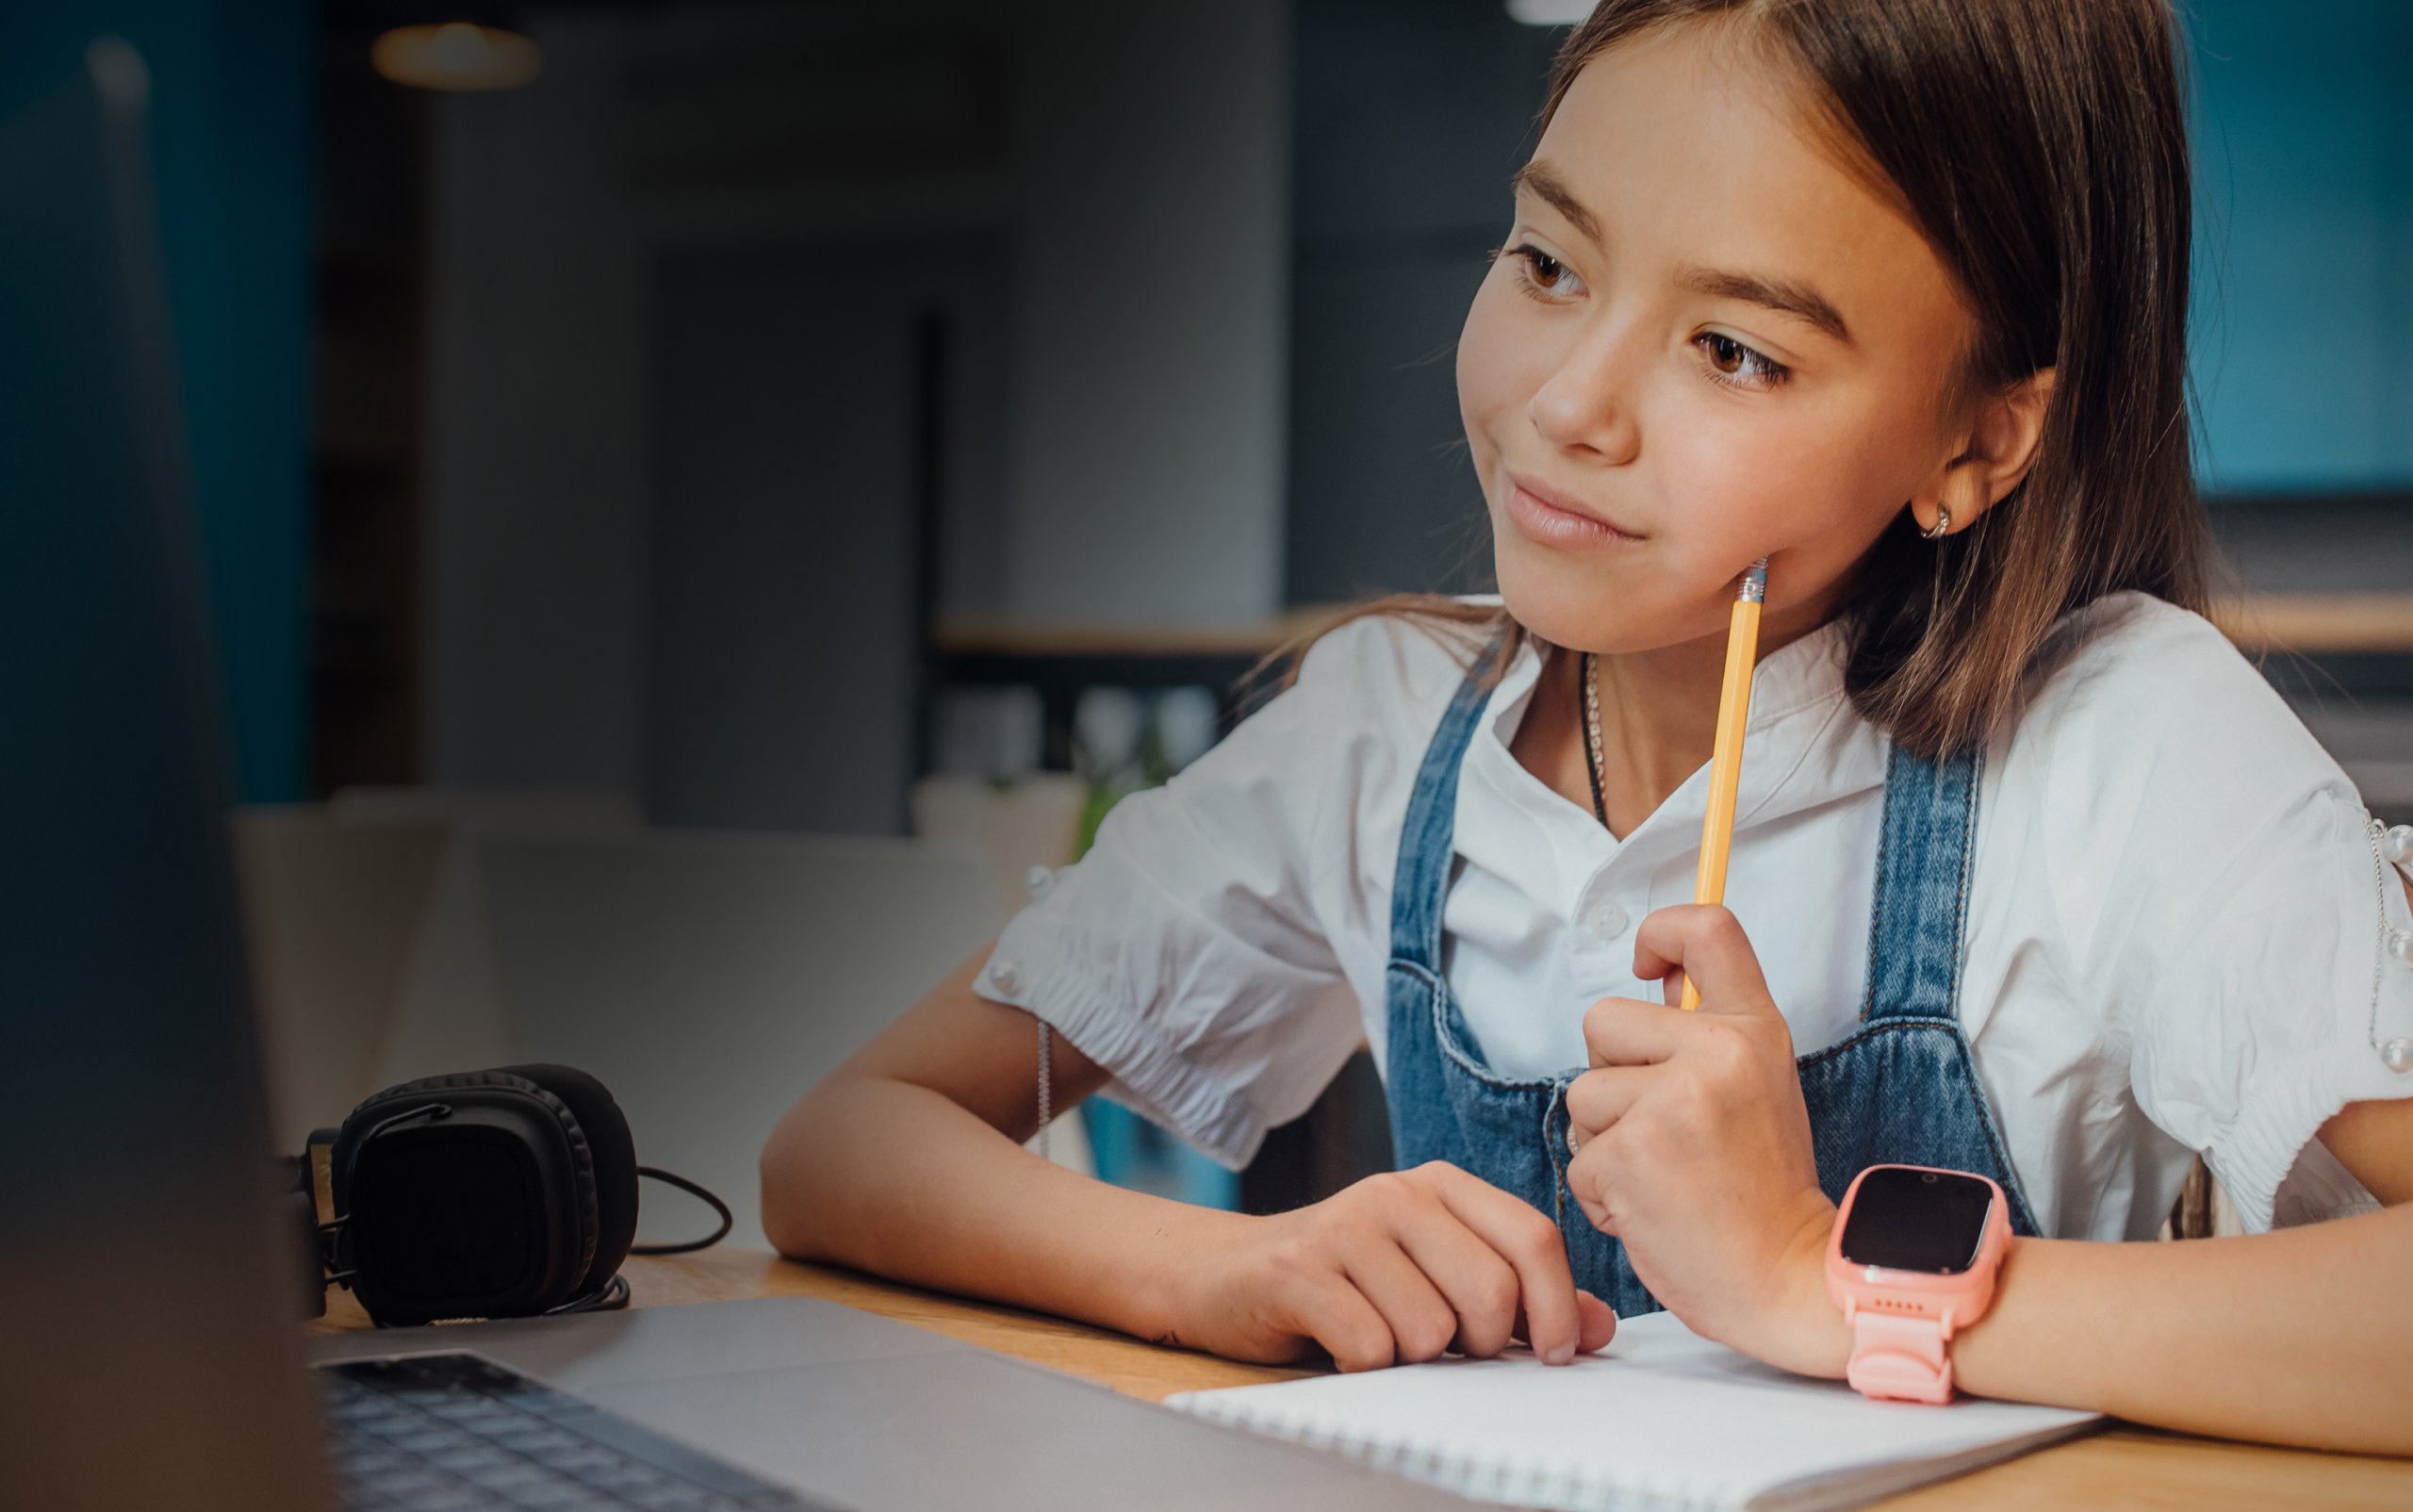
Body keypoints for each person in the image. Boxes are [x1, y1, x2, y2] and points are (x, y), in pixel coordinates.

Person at [763, 0, 2413, 1454]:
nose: (1570, 407)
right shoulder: (1385, 735)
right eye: (1549, 262)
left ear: (1981, 439)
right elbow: (840, 1148)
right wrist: (1217, 1269)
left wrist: (1807, 1275)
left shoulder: (2116, 743)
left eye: (1736, 352)